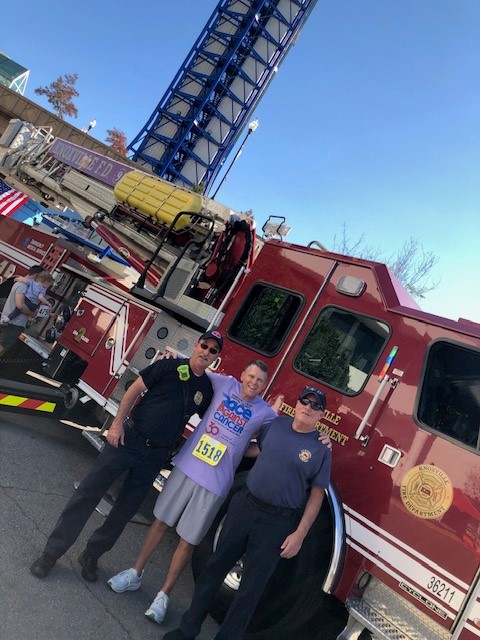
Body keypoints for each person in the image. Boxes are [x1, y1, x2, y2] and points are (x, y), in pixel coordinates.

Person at [29, 330, 223, 582]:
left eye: (212, 350)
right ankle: (50, 554)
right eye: (204, 346)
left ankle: (91, 555)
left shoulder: (206, 389)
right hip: (128, 439)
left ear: (216, 357)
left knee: (123, 512)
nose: (206, 352)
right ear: (196, 345)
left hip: (156, 456)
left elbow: (215, 418)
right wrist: (117, 424)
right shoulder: (167, 366)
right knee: (88, 493)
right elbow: (133, 391)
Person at [107, 360, 278, 624]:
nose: (253, 382)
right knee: (160, 522)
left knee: (187, 541)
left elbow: (279, 439)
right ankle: (134, 573)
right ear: (243, 375)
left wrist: (244, 449)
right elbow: (194, 369)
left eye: (259, 380)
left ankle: (164, 596)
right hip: (187, 467)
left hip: (216, 483)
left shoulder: (266, 413)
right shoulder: (224, 384)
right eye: (251, 376)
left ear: (264, 386)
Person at [164, 385, 331, 640]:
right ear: (296, 404)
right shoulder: (275, 425)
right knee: (214, 569)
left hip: (277, 522)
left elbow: (317, 495)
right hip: (245, 506)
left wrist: (300, 534)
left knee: (250, 591)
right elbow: (253, 448)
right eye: (305, 402)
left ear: (321, 415)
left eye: (315, 406)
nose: (308, 408)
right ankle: (187, 630)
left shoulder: (321, 449)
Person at [0, 264, 46, 357]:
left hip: (12, 322)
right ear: (35, 275)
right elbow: (20, 305)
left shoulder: (20, 283)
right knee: (2, 346)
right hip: (13, 323)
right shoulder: (23, 286)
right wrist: (32, 313)